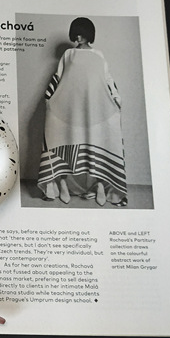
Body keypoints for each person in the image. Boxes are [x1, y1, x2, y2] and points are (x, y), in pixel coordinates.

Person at [37, 17, 128, 207]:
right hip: (68, 110)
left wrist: (116, 99)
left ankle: (101, 186)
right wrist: (48, 98)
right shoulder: (68, 54)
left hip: (94, 110)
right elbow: (58, 77)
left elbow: (107, 79)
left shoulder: (99, 55)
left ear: (88, 35)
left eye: (82, 34)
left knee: (100, 142)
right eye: (76, 33)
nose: (78, 37)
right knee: (60, 142)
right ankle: (61, 185)